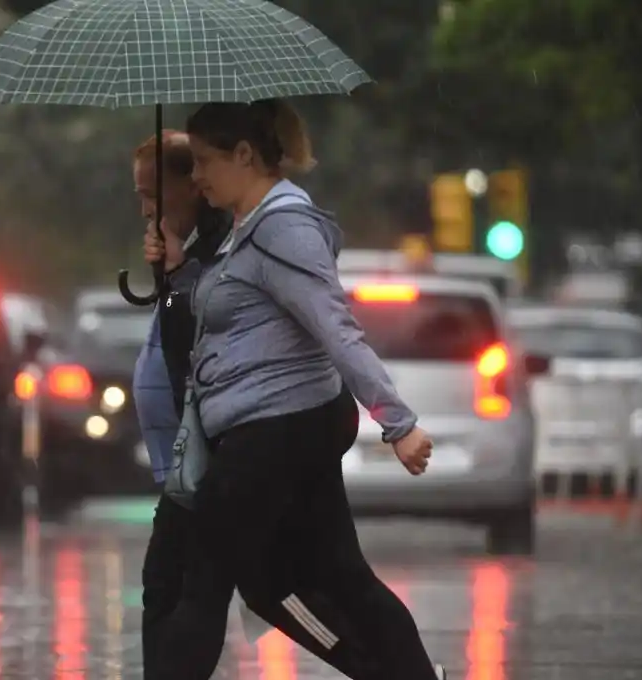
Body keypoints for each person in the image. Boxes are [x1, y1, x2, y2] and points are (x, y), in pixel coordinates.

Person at [145, 99, 446, 680]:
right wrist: (177, 270)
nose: (196, 176)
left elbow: (336, 329)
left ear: (244, 155)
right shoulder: (246, 229)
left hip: (275, 429)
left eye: (204, 161)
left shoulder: (283, 229)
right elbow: (221, 324)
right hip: (278, 426)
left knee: (202, 578)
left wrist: (399, 423)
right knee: (328, 578)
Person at [130, 130, 234, 679]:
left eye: (153, 194)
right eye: (139, 196)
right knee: (171, 586)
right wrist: (169, 274)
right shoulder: (192, 250)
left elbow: (191, 338)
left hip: (206, 453)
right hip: (185, 459)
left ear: (191, 185)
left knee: (186, 586)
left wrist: (173, 278)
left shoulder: (220, 249)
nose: (146, 209)